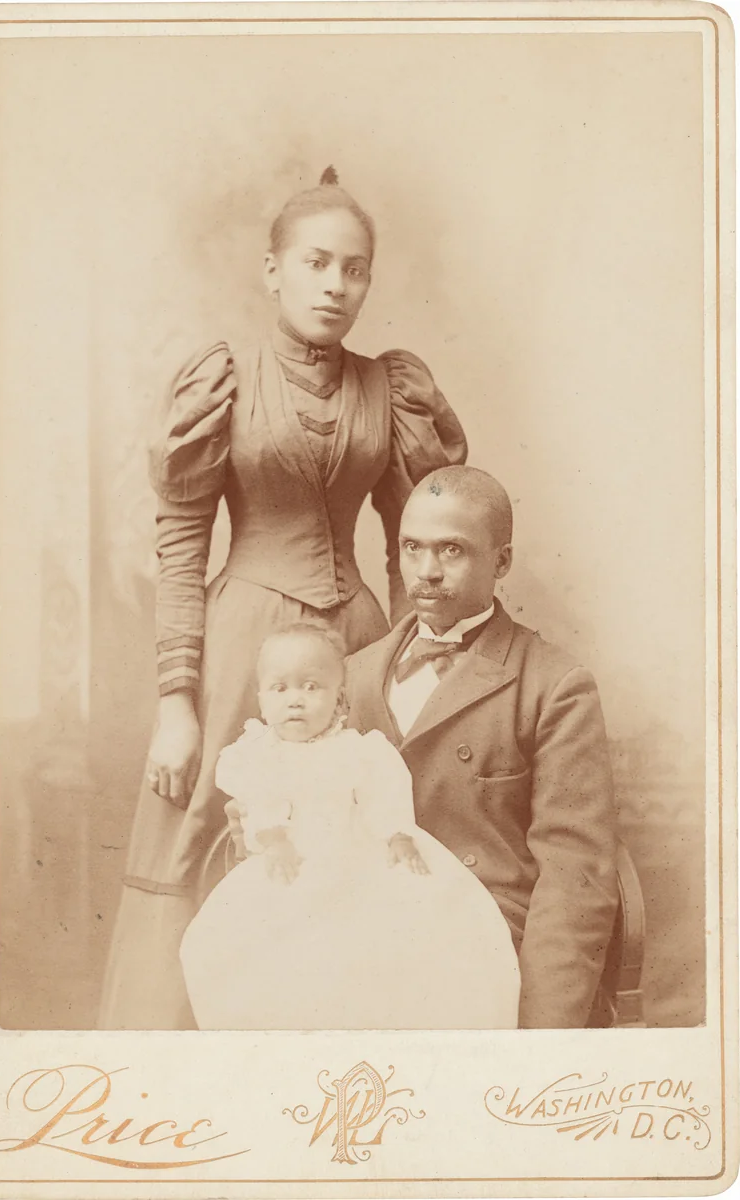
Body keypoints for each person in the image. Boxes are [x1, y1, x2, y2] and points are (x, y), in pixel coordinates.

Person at [99, 168, 467, 1029]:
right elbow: (183, 547)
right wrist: (176, 704)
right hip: (242, 645)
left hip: (360, 645)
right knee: (207, 834)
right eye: (315, 263)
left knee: (367, 837)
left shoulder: (392, 388)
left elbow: (408, 542)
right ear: (273, 270)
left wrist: (410, 661)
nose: (336, 285)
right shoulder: (224, 379)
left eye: (355, 268)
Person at [342, 465, 619, 1028]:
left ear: (502, 561)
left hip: (483, 946)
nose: (426, 572)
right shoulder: (352, 677)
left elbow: (575, 880)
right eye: (412, 547)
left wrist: (539, 1040)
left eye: (452, 551)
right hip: (361, 937)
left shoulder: (554, 686)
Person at [179, 622, 520, 1030]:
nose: (295, 702)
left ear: (340, 699)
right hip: (289, 861)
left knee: (398, 946)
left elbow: (384, 789)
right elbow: (259, 801)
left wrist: (396, 834)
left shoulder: (357, 750)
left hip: (357, 858)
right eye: (280, 689)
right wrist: (273, 839)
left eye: (311, 687)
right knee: (255, 954)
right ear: (261, 700)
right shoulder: (257, 754)